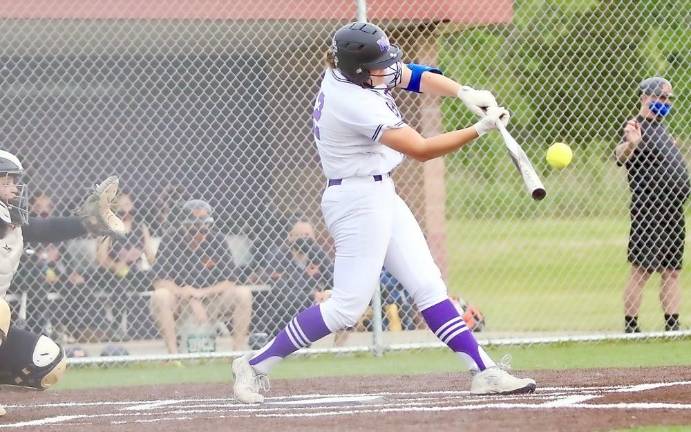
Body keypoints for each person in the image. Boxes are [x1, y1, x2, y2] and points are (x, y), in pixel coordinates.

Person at [232, 22, 536, 403]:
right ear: (357, 69)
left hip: (381, 192)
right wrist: (480, 128)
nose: (386, 69)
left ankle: (484, 371)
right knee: (346, 309)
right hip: (356, 199)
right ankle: (254, 365)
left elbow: (411, 75)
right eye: (376, 65)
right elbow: (421, 149)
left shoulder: (357, 72)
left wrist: (463, 92)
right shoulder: (352, 100)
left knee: (428, 286)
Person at [0, 149, 126, 416]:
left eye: (14, 180)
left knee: (47, 362)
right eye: (5, 180)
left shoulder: (14, 222)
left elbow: (47, 229)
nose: (13, 187)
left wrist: (87, 224)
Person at [614, 77, 688, 333]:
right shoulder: (635, 126)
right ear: (646, 97)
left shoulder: (662, 129)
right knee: (642, 270)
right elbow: (620, 154)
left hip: (672, 211)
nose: (666, 102)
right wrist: (631, 144)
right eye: (661, 97)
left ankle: (672, 325)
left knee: (672, 271)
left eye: (668, 99)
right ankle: (632, 328)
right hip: (649, 210)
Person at [149, 199, 253, 353]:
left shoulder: (216, 240)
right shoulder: (170, 239)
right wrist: (190, 297)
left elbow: (230, 281)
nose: (200, 235)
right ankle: (173, 355)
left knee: (244, 293)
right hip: (180, 301)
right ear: (183, 226)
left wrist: (200, 294)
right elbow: (159, 281)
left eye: (204, 230)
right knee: (161, 296)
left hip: (212, 300)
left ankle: (237, 353)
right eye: (193, 231)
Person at [96, 191, 158, 338]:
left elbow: (150, 256)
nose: (126, 208)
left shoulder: (140, 227)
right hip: (112, 273)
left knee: (158, 280)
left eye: (128, 204)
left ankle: (154, 327)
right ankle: (116, 326)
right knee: (120, 285)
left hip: (135, 272)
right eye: (122, 205)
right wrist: (115, 266)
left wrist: (158, 266)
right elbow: (101, 257)